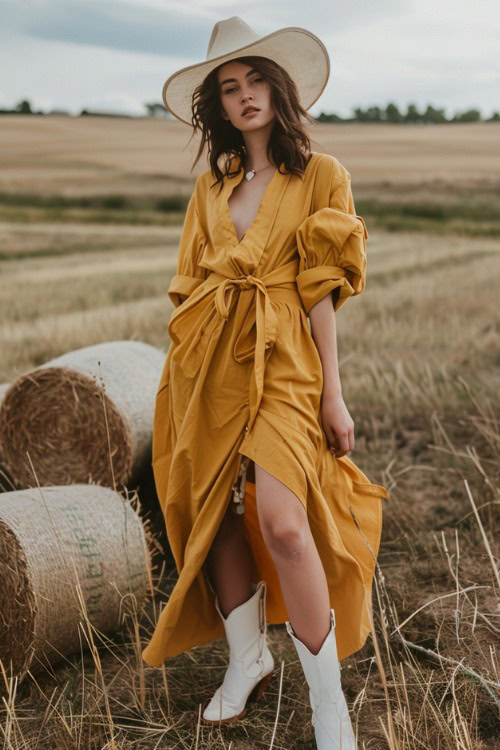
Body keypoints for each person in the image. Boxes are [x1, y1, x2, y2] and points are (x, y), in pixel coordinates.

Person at [142, 16, 389, 749]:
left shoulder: (322, 175)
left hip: (283, 361)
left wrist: (332, 393)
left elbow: (319, 290)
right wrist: (183, 380)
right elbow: (187, 288)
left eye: (256, 81)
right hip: (208, 363)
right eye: (229, 87)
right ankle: (246, 657)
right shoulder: (210, 188)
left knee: (283, 522)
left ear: (280, 91)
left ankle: (328, 708)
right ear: (216, 106)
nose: (245, 96)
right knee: (212, 511)